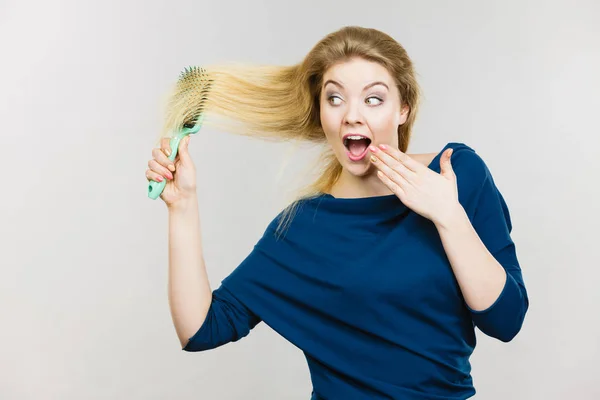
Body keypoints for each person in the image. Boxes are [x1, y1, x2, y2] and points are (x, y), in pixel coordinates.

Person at [145, 26, 529, 400]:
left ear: (403, 109)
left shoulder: (456, 174)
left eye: (374, 99)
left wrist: (449, 216)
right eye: (335, 98)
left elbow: (506, 320)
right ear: (321, 113)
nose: (352, 116)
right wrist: (182, 206)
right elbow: (200, 330)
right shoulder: (302, 227)